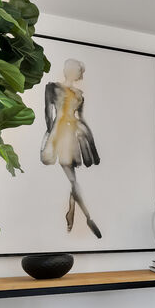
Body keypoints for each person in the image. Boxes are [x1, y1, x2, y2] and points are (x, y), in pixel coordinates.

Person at [41, 59, 102, 238]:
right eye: (74, 69)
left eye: (78, 71)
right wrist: (49, 136)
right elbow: (48, 113)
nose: (76, 73)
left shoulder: (79, 93)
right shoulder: (52, 87)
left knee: (72, 177)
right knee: (72, 178)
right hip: (60, 131)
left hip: (74, 132)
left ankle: (74, 212)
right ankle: (86, 216)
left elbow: (81, 117)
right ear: (67, 70)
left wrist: (89, 139)